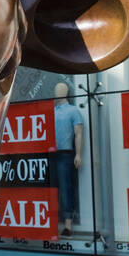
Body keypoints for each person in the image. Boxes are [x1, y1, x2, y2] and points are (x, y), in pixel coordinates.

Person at [53, 81, 85, 236]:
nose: (57, 92)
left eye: (60, 90)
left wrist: (78, 153)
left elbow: (79, 132)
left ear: (66, 92)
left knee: (66, 188)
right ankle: (50, 222)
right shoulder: (50, 112)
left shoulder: (73, 111)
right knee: (51, 189)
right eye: (56, 90)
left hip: (66, 153)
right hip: (50, 153)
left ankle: (68, 224)